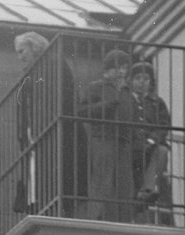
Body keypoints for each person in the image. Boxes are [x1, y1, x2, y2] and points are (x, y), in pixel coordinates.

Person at [14, 31, 85, 218]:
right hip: (35, 132)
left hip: (53, 130)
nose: (19, 57)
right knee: (38, 175)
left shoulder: (55, 66)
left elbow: (68, 98)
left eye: (22, 51)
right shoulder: (28, 74)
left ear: (34, 47)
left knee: (52, 173)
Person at [79, 50, 135, 223]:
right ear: (108, 69)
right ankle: (96, 219)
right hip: (102, 138)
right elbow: (81, 111)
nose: (121, 72)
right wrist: (104, 106)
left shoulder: (128, 92)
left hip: (124, 141)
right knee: (102, 182)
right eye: (117, 68)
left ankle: (123, 221)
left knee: (124, 185)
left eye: (124, 68)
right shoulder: (96, 87)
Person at [129, 62, 173, 225]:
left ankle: (147, 190)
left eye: (146, 78)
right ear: (131, 80)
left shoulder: (156, 102)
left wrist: (152, 139)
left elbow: (164, 124)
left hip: (150, 146)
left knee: (162, 151)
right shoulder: (126, 98)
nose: (142, 82)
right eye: (138, 78)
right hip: (132, 145)